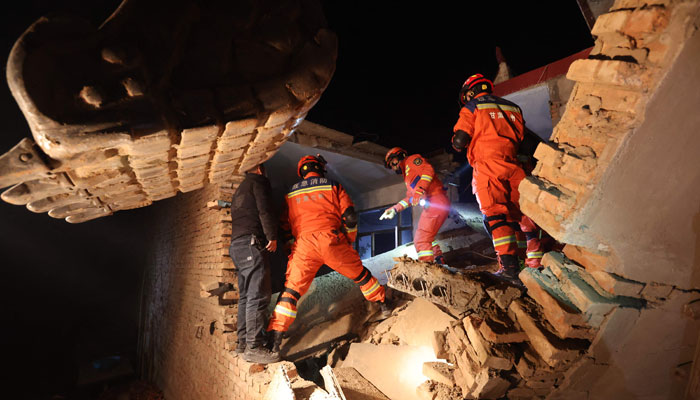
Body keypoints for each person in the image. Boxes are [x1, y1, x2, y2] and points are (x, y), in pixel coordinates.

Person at [266, 154, 389, 353]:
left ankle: (274, 340)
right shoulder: (333, 186)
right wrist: (348, 240)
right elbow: (349, 217)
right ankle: (384, 307)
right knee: (361, 275)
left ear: (302, 171)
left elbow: (284, 226)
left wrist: (292, 248)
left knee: (291, 292)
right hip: (331, 241)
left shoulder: (290, 194)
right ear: (320, 168)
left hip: (304, 245)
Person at [451, 73, 547, 280]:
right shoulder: (513, 108)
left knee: (495, 215)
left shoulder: (473, 107)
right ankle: (531, 262)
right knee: (520, 215)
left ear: (469, 93)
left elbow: (459, 140)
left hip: (487, 166)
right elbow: (524, 140)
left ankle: (510, 270)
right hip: (513, 165)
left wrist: (460, 142)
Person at [228, 163, 280, 364]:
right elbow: (264, 210)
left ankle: (242, 344)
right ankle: (254, 347)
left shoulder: (240, 189)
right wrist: (272, 237)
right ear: (259, 168)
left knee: (246, 297)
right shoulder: (258, 182)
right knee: (257, 297)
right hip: (251, 245)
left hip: (236, 247)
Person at [380, 148, 450, 264]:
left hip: (435, 201)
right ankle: (438, 260)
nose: (392, 167)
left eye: (392, 163)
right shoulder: (407, 176)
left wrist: (420, 190)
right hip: (435, 203)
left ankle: (426, 268)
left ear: (399, 156)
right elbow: (410, 198)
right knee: (428, 237)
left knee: (421, 239)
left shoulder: (412, 160)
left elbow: (428, 170)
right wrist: (394, 209)